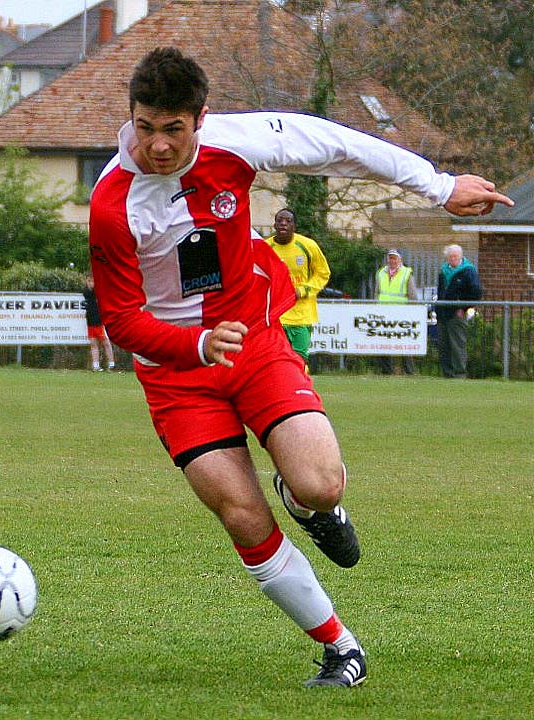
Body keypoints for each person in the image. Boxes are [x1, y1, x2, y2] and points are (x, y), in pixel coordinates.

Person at [88, 47, 512, 688]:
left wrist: (439, 185)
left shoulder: (236, 144)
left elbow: (335, 143)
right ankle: (340, 646)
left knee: (321, 485)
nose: (160, 146)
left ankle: (307, 502)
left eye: (174, 129)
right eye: (146, 128)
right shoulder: (111, 204)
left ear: (201, 118)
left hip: (255, 341)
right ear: (132, 117)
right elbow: (121, 320)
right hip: (176, 371)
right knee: (241, 513)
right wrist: (196, 345)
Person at [265, 209, 330, 368]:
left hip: (301, 315)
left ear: (294, 225)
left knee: (299, 360)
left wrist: (303, 290)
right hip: (275, 316)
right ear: (274, 224)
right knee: (276, 359)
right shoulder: (265, 247)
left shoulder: (308, 245)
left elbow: (323, 273)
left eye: (288, 221)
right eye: (280, 220)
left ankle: (299, 389)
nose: (283, 224)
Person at [435, 244, 481, 379]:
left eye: (455, 256)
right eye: (450, 256)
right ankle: (447, 374)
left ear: (461, 256)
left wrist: (464, 308)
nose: (453, 259)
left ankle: (459, 374)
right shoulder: (443, 271)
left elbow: (476, 293)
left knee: (457, 345)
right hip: (443, 313)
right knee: (444, 345)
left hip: (457, 314)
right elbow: (440, 291)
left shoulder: (469, 271)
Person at [376, 248, 417, 375]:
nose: (392, 260)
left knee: (404, 342)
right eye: (390, 258)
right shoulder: (381, 272)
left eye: (394, 258)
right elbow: (377, 292)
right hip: (383, 312)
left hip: (401, 313)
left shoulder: (406, 273)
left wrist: (411, 312)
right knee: (383, 342)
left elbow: (412, 295)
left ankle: (409, 371)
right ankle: (386, 370)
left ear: (400, 260)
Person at [83, 272, 115, 371]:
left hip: (100, 321)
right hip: (90, 321)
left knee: (106, 343)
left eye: (92, 281)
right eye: (88, 281)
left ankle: (111, 364)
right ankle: (96, 366)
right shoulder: (86, 292)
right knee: (93, 343)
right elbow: (88, 294)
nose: (90, 283)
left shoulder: (99, 291)